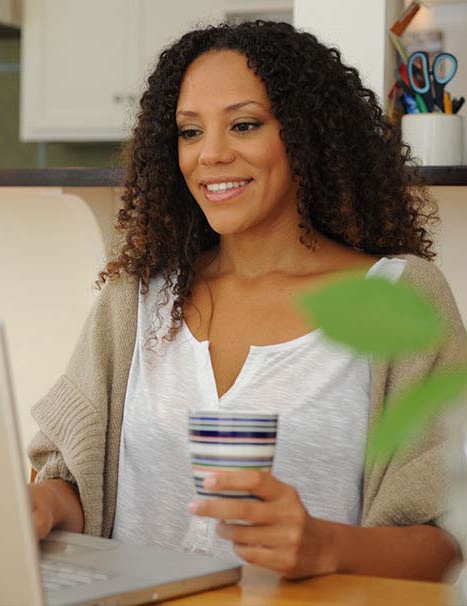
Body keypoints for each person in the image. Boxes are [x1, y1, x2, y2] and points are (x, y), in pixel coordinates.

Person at [27, 20, 467, 581]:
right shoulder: (134, 299)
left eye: (244, 124)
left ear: (306, 136)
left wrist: (323, 546)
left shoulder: (402, 298)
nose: (210, 154)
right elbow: (76, 483)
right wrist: (43, 504)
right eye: (190, 132)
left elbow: (447, 542)